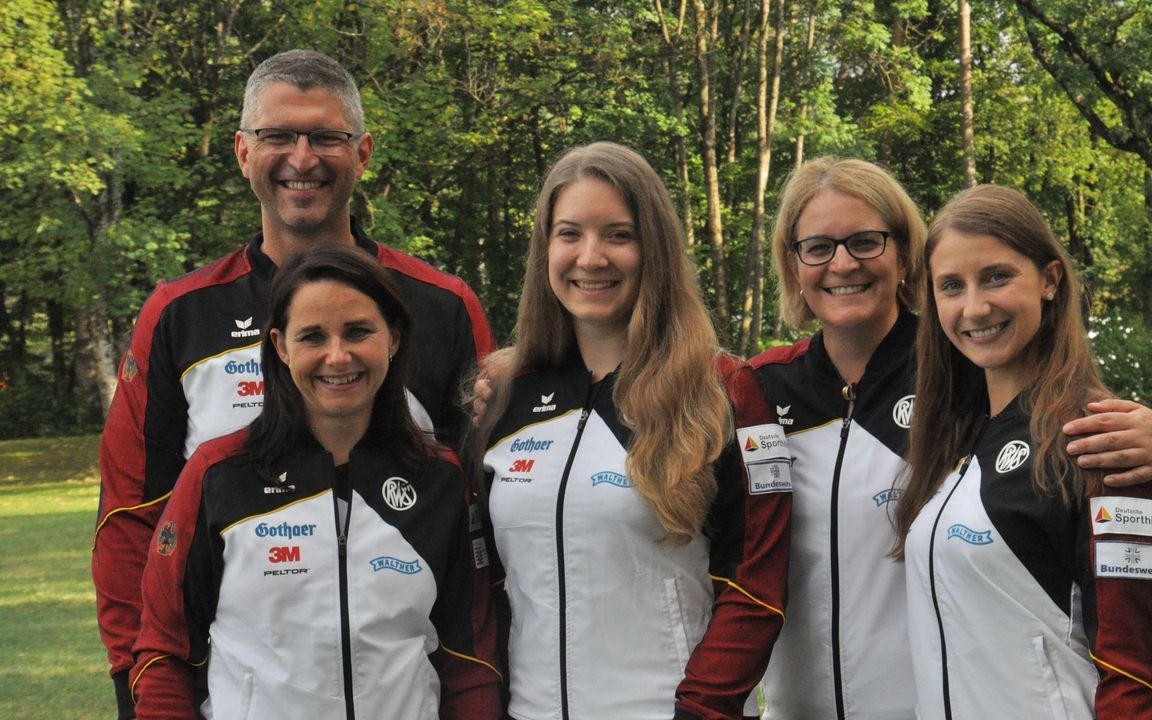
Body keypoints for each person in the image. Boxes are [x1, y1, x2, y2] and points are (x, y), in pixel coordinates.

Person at [93, 50, 494, 717]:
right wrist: (135, 680)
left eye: (326, 137)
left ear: (362, 152)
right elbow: (131, 519)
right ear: (243, 151)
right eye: (278, 135)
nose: (302, 158)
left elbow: (483, 516)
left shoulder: (443, 306)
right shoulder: (179, 313)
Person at [749, 159, 1152, 718]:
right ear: (792, 263)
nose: (842, 263)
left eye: (866, 241)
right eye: (817, 246)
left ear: (903, 256)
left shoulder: (969, 370)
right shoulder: (760, 394)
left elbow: (1129, 631)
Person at [471, 141, 791, 720]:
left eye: (618, 235)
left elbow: (756, 587)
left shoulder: (724, 390)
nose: (590, 258)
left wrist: (701, 711)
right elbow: (486, 588)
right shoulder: (506, 395)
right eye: (569, 234)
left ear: (655, 250)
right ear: (546, 248)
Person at [130, 245, 502, 719]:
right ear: (281, 346)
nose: (338, 355)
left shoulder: (440, 481)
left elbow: (469, 665)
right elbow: (165, 651)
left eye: (358, 331)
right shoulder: (218, 474)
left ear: (393, 337)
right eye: (312, 336)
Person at [896, 184, 1152, 718]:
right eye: (950, 286)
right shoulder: (950, 438)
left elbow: (1135, 669)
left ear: (1050, 280)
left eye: (996, 276)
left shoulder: (1099, 440)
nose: (974, 307)